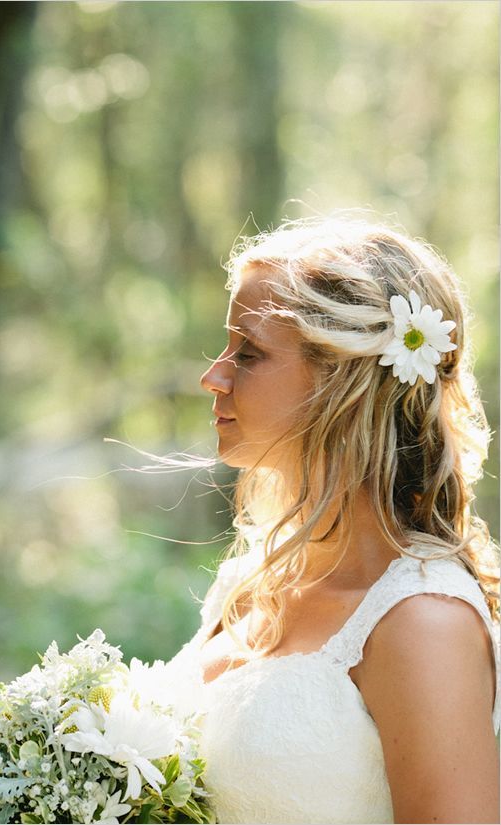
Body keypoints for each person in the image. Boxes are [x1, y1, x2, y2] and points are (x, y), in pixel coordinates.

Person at [166, 215, 500, 825]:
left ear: (342, 384)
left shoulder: (422, 623)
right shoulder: (248, 585)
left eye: (249, 352)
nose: (212, 376)